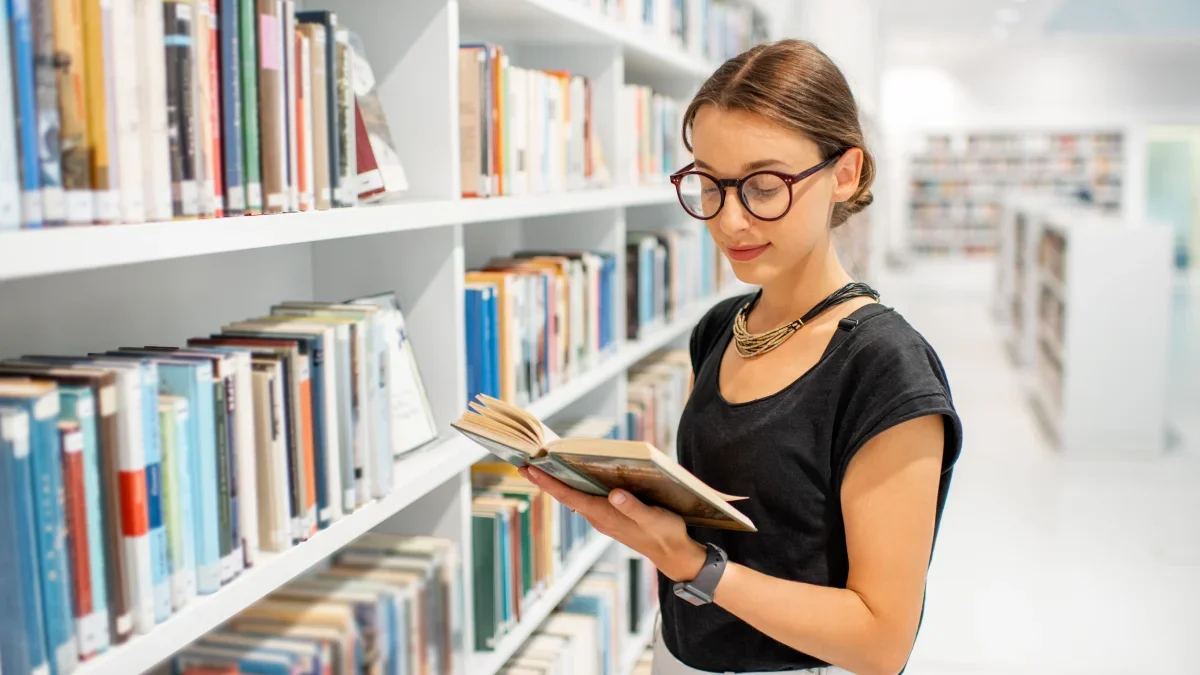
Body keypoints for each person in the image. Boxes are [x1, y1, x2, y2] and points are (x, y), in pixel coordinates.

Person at [519, 39, 962, 675]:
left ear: (844, 173)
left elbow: (880, 641)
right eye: (709, 184)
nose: (729, 222)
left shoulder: (885, 367)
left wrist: (697, 568)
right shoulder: (722, 328)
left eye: (762, 185)